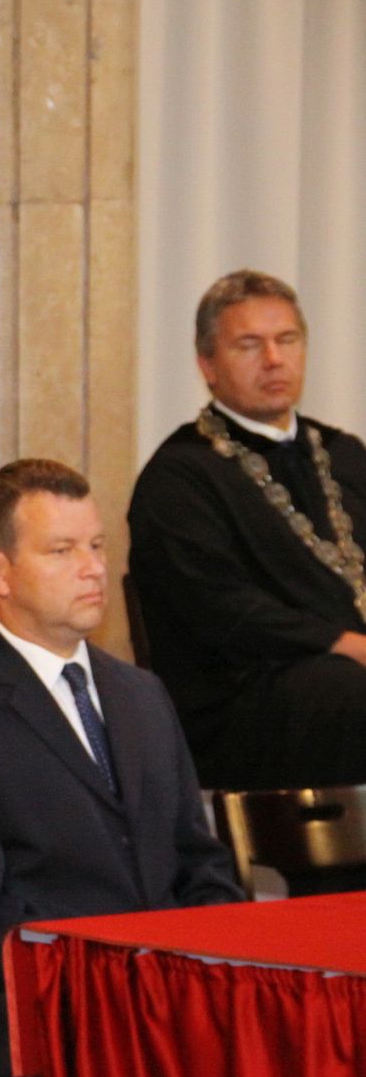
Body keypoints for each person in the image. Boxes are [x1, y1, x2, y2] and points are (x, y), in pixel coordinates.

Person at [0, 460, 242, 1077]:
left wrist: (217, 968)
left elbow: (200, 863)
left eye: (98, 546)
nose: (94, 568)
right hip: (44, 1007)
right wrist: (128, 980)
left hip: (163, 996)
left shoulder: (141, 693)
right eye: (62, 550)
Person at [129, 270, 366, 804]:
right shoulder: (178, 477)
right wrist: (349, 645)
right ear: (207, 365)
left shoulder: (344, 454)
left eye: (287, 340)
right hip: (243, 701)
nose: (274, 360)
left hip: (340, 677)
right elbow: (223, 611)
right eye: (249, 345)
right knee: (349, 692)